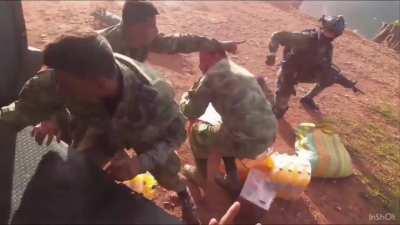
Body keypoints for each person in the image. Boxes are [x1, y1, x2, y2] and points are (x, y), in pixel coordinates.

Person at [0, 32, 200, 224]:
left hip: (142, 132)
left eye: (66, 86)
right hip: (97, 125)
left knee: (167, 173)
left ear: (100, 85)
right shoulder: (65, 76)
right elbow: (22, 110)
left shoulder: (154, 95)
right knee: (80, 167)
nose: (59, 89)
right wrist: (55, 119)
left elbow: (177, 133)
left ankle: (184, 196)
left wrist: (139, 163)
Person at [180, 49, 277, 197]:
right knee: (226, 130)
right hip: (269, 134)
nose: (200, 66)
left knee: (197, 131)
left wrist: (185, 97)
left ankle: (201, 176)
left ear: (215, 55)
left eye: (202, 60)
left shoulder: (212, 75)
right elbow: (268, 101)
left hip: (247, 142)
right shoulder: (239, 70)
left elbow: (192, 111)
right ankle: (233, 181)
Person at [265, 15, 362, 119]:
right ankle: (277, 106)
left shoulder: (327, 47)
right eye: (329, 31)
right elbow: (277, 36)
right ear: (323, 27)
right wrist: (272, 54)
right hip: (289, 71)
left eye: (333, 33)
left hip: (307, 71)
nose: (330, 35)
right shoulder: (306, 37)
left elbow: (327, 67)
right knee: (280, 109)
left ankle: (307, 98)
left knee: (330, 76)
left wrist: (349, 84)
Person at [98, 0, 244, 62]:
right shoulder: (103, 49)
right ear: (136, 28)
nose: (157, 30)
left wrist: (220, 44)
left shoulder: (141, 38)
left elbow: (181, 42)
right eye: (152, 25)